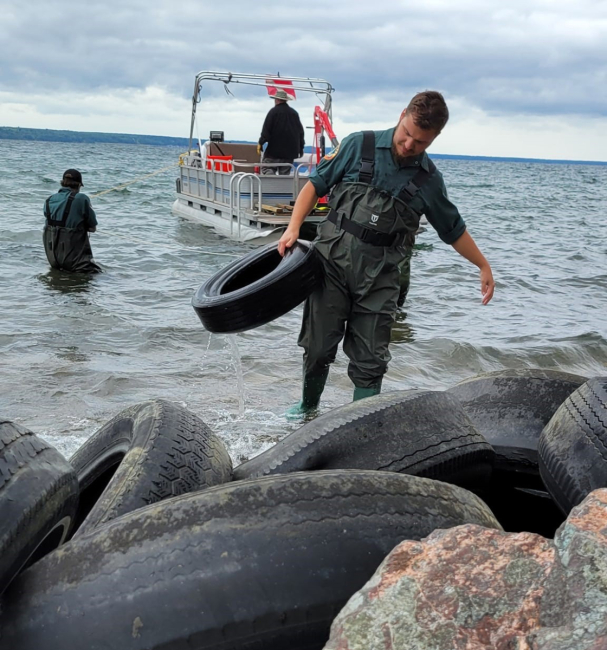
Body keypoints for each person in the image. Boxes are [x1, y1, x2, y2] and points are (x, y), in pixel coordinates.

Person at [277, 90, 495, 416]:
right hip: (330, 267)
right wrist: (293, 226)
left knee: (371, 359)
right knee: (318, 346)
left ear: (434, 138)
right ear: (401, 115)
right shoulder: (356, 145)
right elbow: (315, 185)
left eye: (421, 143)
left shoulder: (430, 181)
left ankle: (359, 426)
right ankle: (308, 406)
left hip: (381, 279)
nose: (409, 145)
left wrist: (483, 265)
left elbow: (453, 230)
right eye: (407, 134)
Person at [43, 169, 101, 273]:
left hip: (54, 260)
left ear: (63, 183)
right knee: (101, 277)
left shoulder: (49, 200)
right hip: (76, 262)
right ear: (78, 185)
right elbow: (93, 228)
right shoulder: (82, 199)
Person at [257, 89, 305, 175]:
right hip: (289, 154)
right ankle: (283, 188)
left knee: (268, 170)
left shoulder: (273, 112)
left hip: (273, 152)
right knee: (284, 176)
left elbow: (266, 131)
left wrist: (261, 143)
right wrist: (301, 148)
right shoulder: (294, 114)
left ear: (277, 100)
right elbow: (300, 133)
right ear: (286, 100)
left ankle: (271, 187)